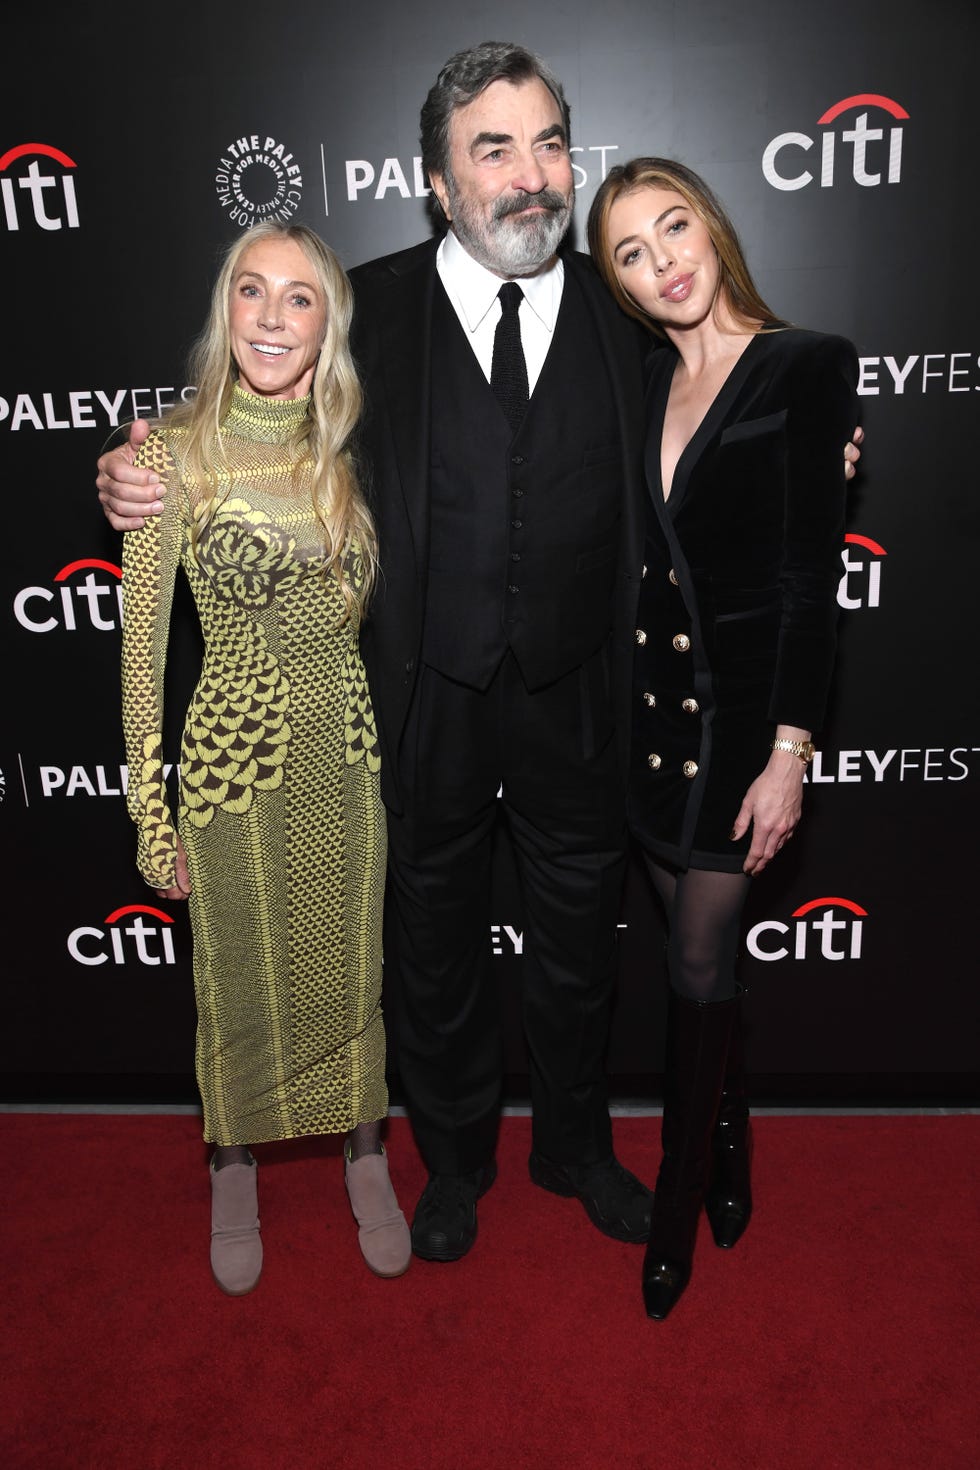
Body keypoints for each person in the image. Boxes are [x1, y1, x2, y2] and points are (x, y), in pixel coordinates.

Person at [99, 43, 861, 1268]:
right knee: (435, 952)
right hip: (419, 702)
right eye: (492, 149)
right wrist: (134, 468)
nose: (529, 176)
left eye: (548, 144)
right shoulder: (367, 310)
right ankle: (453, 1161)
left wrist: (806, 451)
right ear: (438, 182)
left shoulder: (627, 321)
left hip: (581, 700)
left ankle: (571, 1148)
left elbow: (733, 400)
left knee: (575, 953)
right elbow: (243, 416)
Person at [587, 158, 859, 1318]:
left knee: (697, 960)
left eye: (672, 228)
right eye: (631, 257)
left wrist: (789, 750)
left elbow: (808, 581)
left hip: (743, 730)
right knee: (697, 967)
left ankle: (677, 1200)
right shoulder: (642, 380)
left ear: (710, 222)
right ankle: (732, 1142)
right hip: (643, 727)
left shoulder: (804, 365)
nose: (664, 265)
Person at [120, 221, 411, 1294]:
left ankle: (365, 1149)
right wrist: (152, 819)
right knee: (237, 979)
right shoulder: (169, 456)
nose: (274, 318)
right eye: (253, 292)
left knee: (351, 975)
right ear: (224, 310)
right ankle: (232, 1159)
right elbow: (139, 661)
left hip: (344, 755)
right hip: (231, 767)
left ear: (325, 322)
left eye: (299, 298)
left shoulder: (343, 448)